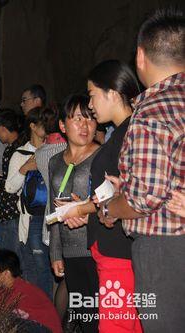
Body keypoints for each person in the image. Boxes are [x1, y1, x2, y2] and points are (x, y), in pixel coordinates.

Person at [98, 9, 184, 332]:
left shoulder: (151, 110)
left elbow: (143, 198)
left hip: (165, 251)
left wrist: (110, 208)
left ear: (140, 56)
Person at [61, 59, 142, 332]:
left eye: (93, 94)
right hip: (113, 250)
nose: (91, 104)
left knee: (116, 326)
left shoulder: (130, 133)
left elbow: (129, 197)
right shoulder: (121, 133)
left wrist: (82, 211)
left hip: (119, 252)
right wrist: (86, 212)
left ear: (112, 92)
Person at [49, 95, 100, 333]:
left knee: (99, 318)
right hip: (69, 252)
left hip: (96, 250)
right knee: (82, 317)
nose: (85, 125)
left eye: (90, 119)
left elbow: (111, 203)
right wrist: (55, 252)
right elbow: (54, 208)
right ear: (62, 125)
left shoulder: (102, 156)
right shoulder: (54, 162)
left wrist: (87, 210)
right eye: (78, 118)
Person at [3, 107, 52, 298]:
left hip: (53, 218)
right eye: (43, 122)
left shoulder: (56, 149)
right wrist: (25, 168)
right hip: (30, 221)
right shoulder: (20, 153)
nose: (48, 126)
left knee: (47, 271)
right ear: (32, 126)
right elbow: (10, 187)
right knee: (35, 272)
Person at [35, 106, 69, 320]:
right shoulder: (67, 148)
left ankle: (55, 322)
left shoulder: (39, 153)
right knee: (67, 277)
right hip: (68, 216)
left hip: (50, 217)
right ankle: (58, 322)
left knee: (58, 276)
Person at [0, 250, 62, 333]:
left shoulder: (23, 291)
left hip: (45, 330)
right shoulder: (4, 290)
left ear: (6, 274)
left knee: (7, 319)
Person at [0, 108, 24, 256]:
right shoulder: (23, 145)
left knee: (9, 257)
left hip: (11, 211)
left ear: (3, 128)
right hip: (17, 211)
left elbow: (10, 183)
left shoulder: (12, 150)